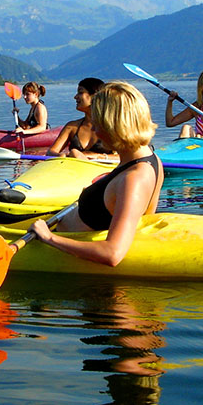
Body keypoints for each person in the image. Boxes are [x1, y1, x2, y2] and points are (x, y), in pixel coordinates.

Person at [28, 81, 164, 267]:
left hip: (65, 253)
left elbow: (113, 253)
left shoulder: (134, 179)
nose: (94, 131)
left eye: (98, 123)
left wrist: (49, 238)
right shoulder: (151, 159)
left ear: (114, 125)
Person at [46, 77, 114, 160]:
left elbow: (126, 156)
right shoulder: (71, 127)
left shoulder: (112, 126)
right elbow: (50, 152)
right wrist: (61, 156)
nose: (75, 97)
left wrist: (100, 156)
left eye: (80, 92)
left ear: (95, 96)